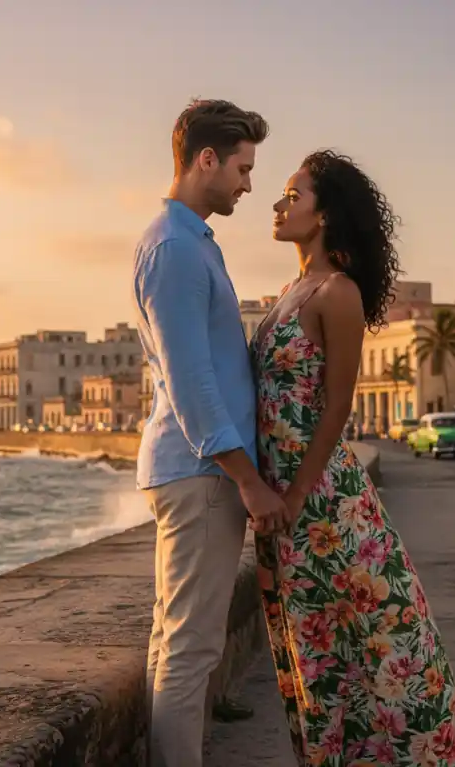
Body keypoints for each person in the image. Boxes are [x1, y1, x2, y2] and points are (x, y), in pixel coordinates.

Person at [250, 150, 455, 765]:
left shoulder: (337, 293)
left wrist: (293, 496)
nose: (278, 203)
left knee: (374, 645)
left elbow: (336, 409)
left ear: (324, 215)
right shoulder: (288, 293)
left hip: (327, 505)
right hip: (287, 503)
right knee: (316, 654)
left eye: (293, 195)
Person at [132, 99, 289, 767]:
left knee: (176, 642)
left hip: (196, 470)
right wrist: (247, 479)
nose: (249, 184)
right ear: (206, 160)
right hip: (202, 474)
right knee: (193, 648)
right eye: (243, 168)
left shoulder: (190, 241)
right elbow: (192, 382)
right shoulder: (173, 249)